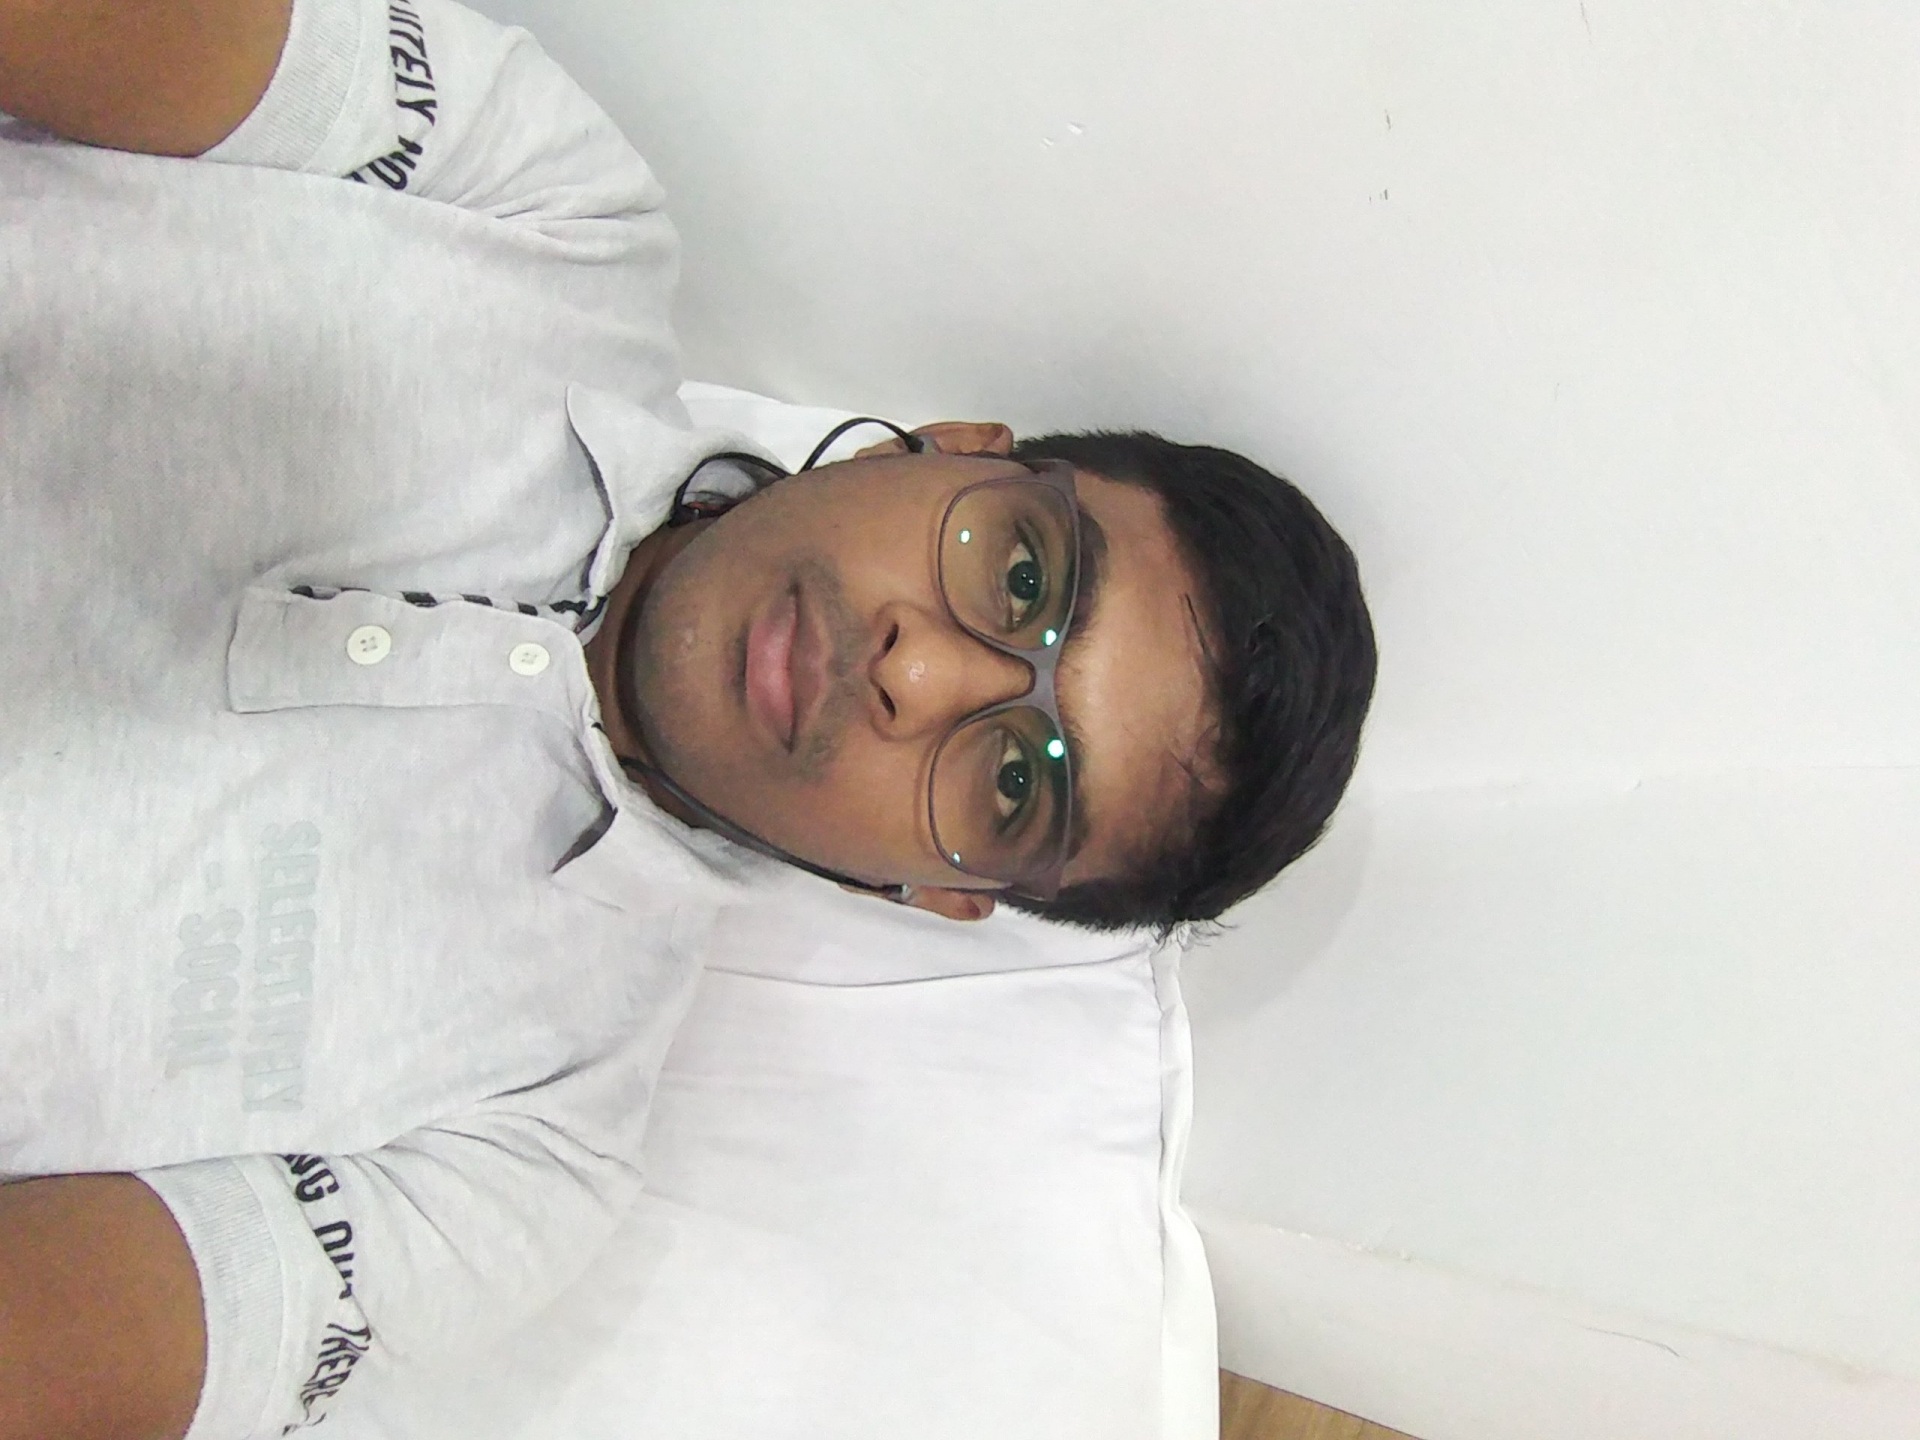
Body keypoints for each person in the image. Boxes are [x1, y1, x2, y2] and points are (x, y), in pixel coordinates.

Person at [0, 0, 1377, 1435]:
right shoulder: (541, 204)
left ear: (937, 892)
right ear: (952, 446)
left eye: (1017, 784)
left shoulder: (514, 1156)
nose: (921, 675)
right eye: (1022, 576)